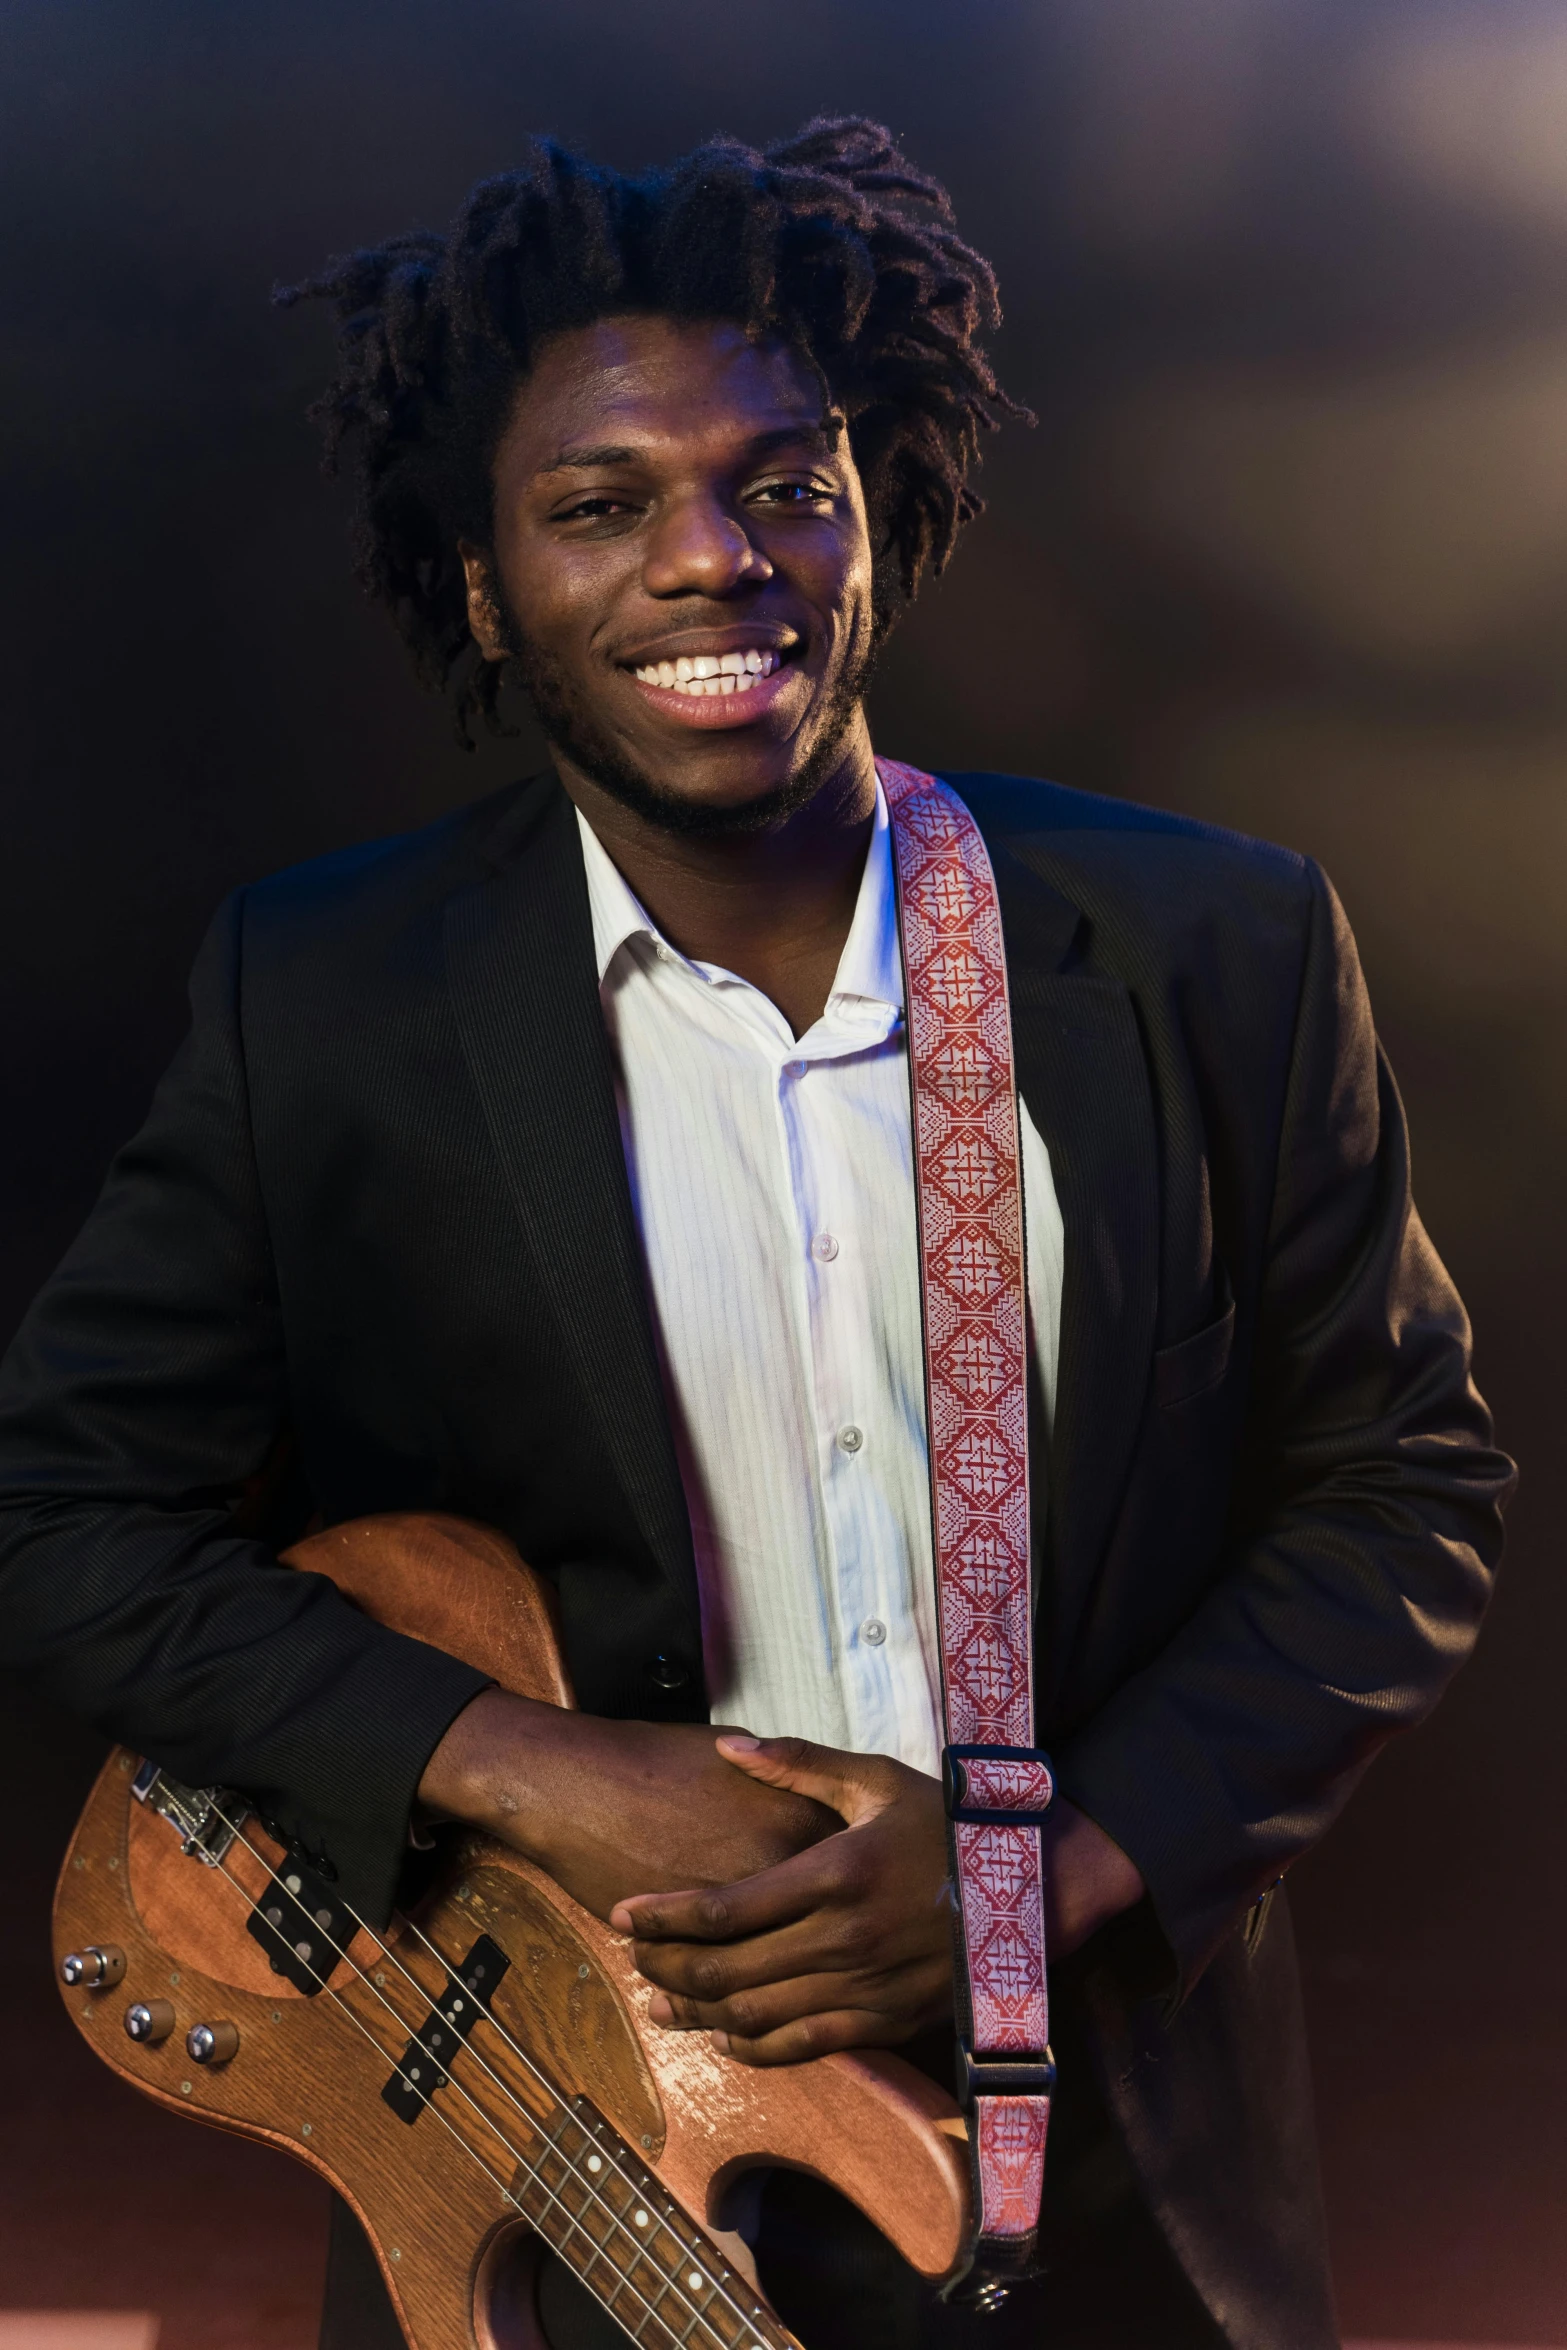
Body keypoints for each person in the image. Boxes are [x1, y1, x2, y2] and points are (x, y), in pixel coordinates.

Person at [0, 118, 1513, 2350]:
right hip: (557, 2144)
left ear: (874, 508)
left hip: (1114, 2162)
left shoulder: (1215, 944)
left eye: (782, 481)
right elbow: (62, 1513)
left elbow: (1406, 1493)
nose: (713, 558)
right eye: (600, 505)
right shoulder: (321, 1002)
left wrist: (1039, 1875)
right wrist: (535, 1771)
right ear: (494, 585)